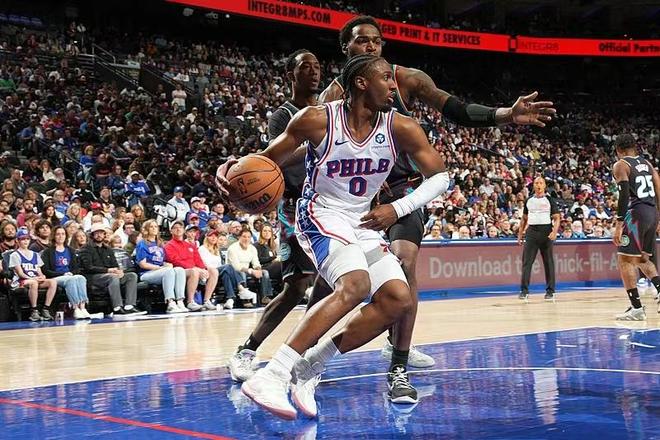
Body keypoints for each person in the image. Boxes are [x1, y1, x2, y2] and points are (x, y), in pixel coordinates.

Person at [217, 54, 449, 419]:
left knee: (398, 299)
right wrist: (231, 168)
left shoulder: (400, 126)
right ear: (361, 83)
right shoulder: (316, 119)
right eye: (386, 78)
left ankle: (311, 364)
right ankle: (273, 375)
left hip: (362, 219)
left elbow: (441, 176)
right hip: (320, 213)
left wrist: (397, 208)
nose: (394, 85)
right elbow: (265, 161)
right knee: (355, 285)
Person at [319, 15, 556, 370]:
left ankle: (398, 357)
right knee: (329, 283)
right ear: (345, 47)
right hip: (353, 199)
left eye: (377, 40)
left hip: (402, 191)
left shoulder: (405, 79)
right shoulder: (330, 99)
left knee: (405, 262)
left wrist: (506, 114)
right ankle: (301, 353)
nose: (371, 45)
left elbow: (456, 109)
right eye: (362, 40)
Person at [227, 49, 323, 381]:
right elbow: (276, 159)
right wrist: (318, 143)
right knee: (296, 287)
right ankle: (247, 350)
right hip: (296, 209)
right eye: (305, 67)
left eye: (317, 66)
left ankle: (304, 353)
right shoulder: (283, 116)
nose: (313, 72)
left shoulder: (327, 112)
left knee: (330, 285)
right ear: (291, 75)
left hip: (329, 207)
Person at [611, 134, 660, 320]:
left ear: (618, 150)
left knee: (625, 260)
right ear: (635, 147)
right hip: (652, 212)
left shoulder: (621, 165)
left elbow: (624, 196)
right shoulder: (647, 164)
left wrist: (619, 224)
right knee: (642, 259)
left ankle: (637, 308)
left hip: (636, 215)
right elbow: (658, 190)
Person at [78, 223, 145, 316]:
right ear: (92, 235)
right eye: (96, 233)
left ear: (104, 234)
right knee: (112, 277)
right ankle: (117, 307)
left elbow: (115, 265)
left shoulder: (108, 249)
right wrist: (108, 270)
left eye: (101, 233)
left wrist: (119, 271)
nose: (99, 235)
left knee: (131, 276)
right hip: (93, 277)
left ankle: (129, 306)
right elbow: (88, 267)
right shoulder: (86, 248)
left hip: (109, 275)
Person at [517, 177, 560, 301]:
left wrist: (554, 231)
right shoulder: (529, 200)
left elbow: (557, 218)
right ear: (533, 185)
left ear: (544, 185)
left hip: (546, 231)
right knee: (527, 262)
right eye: (536, 183)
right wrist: (520, 234)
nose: (538, 185)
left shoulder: (549, 200)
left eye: (541, 183)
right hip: (532, 232)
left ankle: (550, 291)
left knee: (548, 262)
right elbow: (524, 219)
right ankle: (524, 291)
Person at [135, 220, 188, 314]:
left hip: (160, 271)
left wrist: (166, 264)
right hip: (146, 273)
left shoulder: (160, 243)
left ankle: (180, 301)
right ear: (146, 229)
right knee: (168, 271)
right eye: (151, 227)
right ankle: (170, 303)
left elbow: (162, 261)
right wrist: (159, 268)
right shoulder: (142, 243)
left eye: (156, 226)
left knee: (180, 270)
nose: (154, 228)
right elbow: (142, 264)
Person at [163, 220, 215, 312]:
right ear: (171, 231)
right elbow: (175, 261)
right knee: (194, 271)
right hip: (179, 271)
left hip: (194, 269)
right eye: (175, 228)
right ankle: (190, 301)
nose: (178, 229)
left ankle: (207, 300)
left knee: (213, 271)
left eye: (180, 227)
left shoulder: (190, 245)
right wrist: (195, 268)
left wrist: (203, 269)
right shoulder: (169, 245)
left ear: (183, 230)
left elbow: (198, 259)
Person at [198, 230, 257, 310]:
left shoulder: (216, 250)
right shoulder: (202, 249)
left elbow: (220, 264)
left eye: (215, 236)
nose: (213, 238)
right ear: (206, 237)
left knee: (226, 274)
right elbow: (205, 264)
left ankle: (230, 299)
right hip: (208, 272)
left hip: (218, 272)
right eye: (211, 236)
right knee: (228, 267)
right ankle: (241, 289)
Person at [41, 226, 90, 319]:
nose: (61, 236)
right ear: (54, 236)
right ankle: (75, 308)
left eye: (63, 234)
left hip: (69, 275)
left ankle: (83, 307)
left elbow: (76, 268)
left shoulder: (71, 250)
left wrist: (71, 273)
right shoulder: (47, 252)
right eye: (58, 234)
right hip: (55, 277)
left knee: (81, 278)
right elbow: (46, 270)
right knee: (70, 280)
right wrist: (62, 274)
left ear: (66, 236)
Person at [9, 228, 57, 321]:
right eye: (23, 239)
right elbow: (20, 273)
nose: (25, 241)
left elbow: (39, 271)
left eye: (27, 239)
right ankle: (34, 311)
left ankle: (46, 309)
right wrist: (33, 278)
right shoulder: (15, 255)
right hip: (20, 281)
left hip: (34, 279)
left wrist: (42, 276)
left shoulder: (35, 254)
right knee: (33, 283)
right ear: (17, 241)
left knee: (53, 282)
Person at [227, 229, 273, 305]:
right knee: (242, 273)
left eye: (249, 237)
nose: (246, 239)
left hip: (248, 271)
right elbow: (236, 267)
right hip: (234, 272)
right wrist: (251, 271)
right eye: (244, 237)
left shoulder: (252, 248)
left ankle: (265, 297)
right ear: (239, 237)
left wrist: (258, 270)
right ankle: (245, 300)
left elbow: (256, 263)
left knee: (264, 272)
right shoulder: (232, 249)